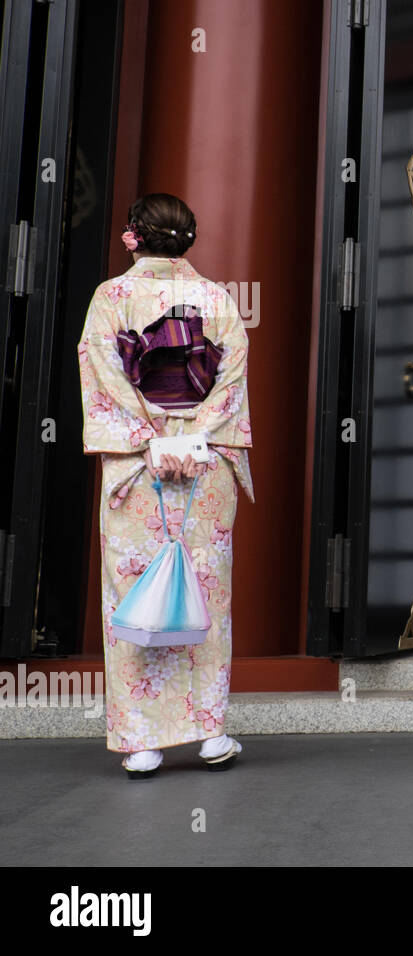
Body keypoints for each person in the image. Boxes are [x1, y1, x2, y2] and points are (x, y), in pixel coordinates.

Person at [78, 193, 253, 778]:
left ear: (134, 235)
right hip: (204, 466)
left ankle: (141, 742)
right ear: (189, 240)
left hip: (138, 463)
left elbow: (102, 371)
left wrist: (154, 441)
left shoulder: (112, 297)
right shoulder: (217, 300)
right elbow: (229, 384)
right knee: (206, 591)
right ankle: (209, 733)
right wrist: (193, 439)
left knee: (132, 594)